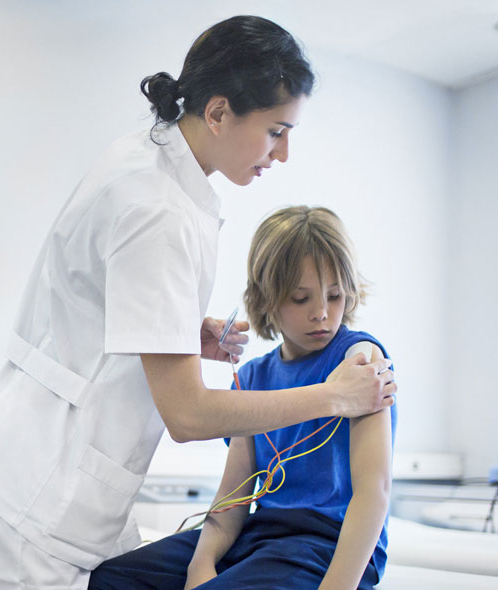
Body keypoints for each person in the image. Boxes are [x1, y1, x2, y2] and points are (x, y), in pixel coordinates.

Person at [0, 16, 396, 590]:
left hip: (48, 462)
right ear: (218, 113)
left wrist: (177, 331)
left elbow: (373, 491)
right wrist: (333, 396)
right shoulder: (159, 210)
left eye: (333, 296)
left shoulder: (147, 162)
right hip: (37, 487)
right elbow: (187, 417)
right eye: (275, 131)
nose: (282, 154)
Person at [89, 205, 397, 590]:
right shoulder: (253, 377)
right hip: (260, 536)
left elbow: (374, 494)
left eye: (334, 296)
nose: (321, 313)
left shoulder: (361, 363)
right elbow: (232, 498)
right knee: (110, 580)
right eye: (301, 299)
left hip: (325, 544)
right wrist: (199, 567)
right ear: (267, 299)